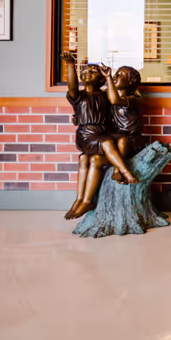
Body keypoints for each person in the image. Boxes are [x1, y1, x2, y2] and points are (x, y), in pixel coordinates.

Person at [61, 51, 139, 220]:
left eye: (93, 71)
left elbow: (116, 97)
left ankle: (82, 200)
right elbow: (72, 85)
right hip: (86, 134)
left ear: (101, 79)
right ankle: (126, 172)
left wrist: (111, 78)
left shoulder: (105, 96)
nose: (88, 72)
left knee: (85, 159)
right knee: (107, 142)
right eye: (85, 71)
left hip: (101, 133)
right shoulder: (78, 96)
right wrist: (70, 65)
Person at [109, 66, 144, 160]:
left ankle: (118, 168)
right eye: (116, 74)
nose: (115, 76)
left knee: (122, 141)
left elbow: (115, 100)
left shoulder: (134, 99)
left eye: (120, 75)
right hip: (117, 136)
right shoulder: (113, 97)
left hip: (131, 140)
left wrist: (108, 78)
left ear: (131, 81)